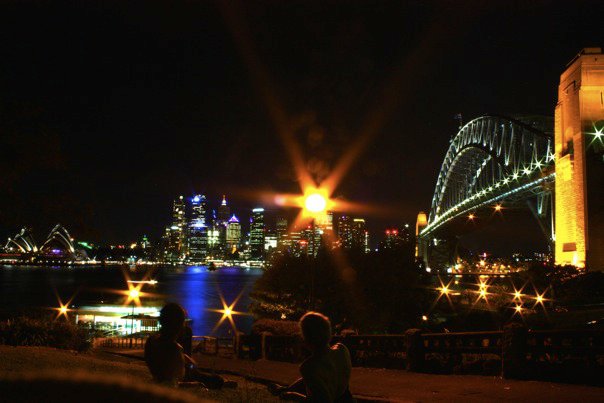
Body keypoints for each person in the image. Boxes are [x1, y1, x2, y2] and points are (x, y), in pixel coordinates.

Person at [270, 312, 354, 402]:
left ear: (306, 339)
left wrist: (292, 395)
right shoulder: (342, 349)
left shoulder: (309, 367)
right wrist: (287, 389)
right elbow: (323, 376)